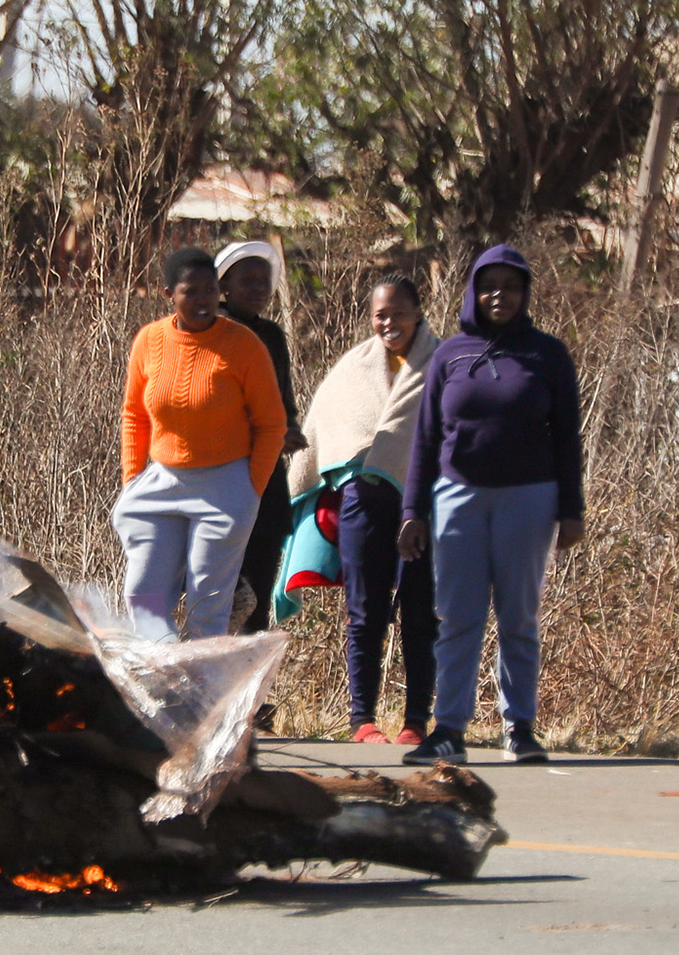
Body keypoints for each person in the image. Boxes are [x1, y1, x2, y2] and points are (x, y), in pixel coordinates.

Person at [398, 245, 586, 766]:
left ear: (526, 294)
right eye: (489, 285)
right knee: (457, 616)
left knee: (518, 615)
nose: (499, 295)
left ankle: (519, 727)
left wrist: (572, 508)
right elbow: (427, 438)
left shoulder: (548, 355)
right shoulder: (448, 355)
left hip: (529, 497)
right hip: (458, 497)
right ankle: (449, 728)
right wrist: (413, 510)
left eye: (511, 285)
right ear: (472, 292)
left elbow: (567, 437)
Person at [285, 275, 439, 745]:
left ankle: (416, 721)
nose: (389, 322)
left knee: (420, 611)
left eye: (398, 312)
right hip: (363, 500)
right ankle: (362, 721)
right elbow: (326, 428)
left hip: (425, 503)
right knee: (364, 612)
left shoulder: (444, 361)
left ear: (418, 310)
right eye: (380, 314)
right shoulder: (353, 366)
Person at [114, 247, 288, 641]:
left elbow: (272, 425)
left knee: (207, 606)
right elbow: (134, 415)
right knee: (143, 594)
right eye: (191, 292)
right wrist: (133, 478)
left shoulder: (244, 345)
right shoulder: (149, 340)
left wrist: (249, 489)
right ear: (168, 294)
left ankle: (202, 696)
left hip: (224, 487)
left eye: (210, 290)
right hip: (161, 481)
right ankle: (158, 687)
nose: (203, 300)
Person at [214, 242, 305, 633]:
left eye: (263, 280)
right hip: (218, 482)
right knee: (218, 596)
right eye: (246, 279)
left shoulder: (272, 336)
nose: (257, 287)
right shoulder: (210, 333)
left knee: (259, 597)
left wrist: (290, 432)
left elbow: (284, 406)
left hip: (266, 482)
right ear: (224, 285)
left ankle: (253, 691)